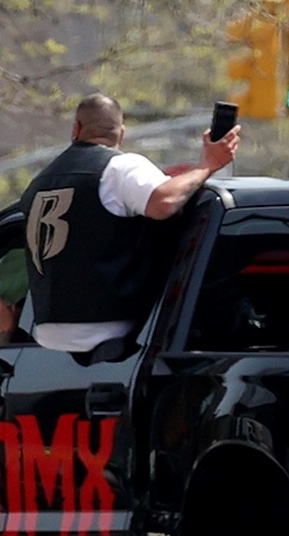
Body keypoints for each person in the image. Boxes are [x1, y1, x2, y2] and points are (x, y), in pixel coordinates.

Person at [14, 94, 239, 354]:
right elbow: (164, 201)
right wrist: (208, 165)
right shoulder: (119, 168)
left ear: (75, 130)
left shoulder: (38, 183)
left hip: (45, 342)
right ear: (121, 134)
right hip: (112, 336)